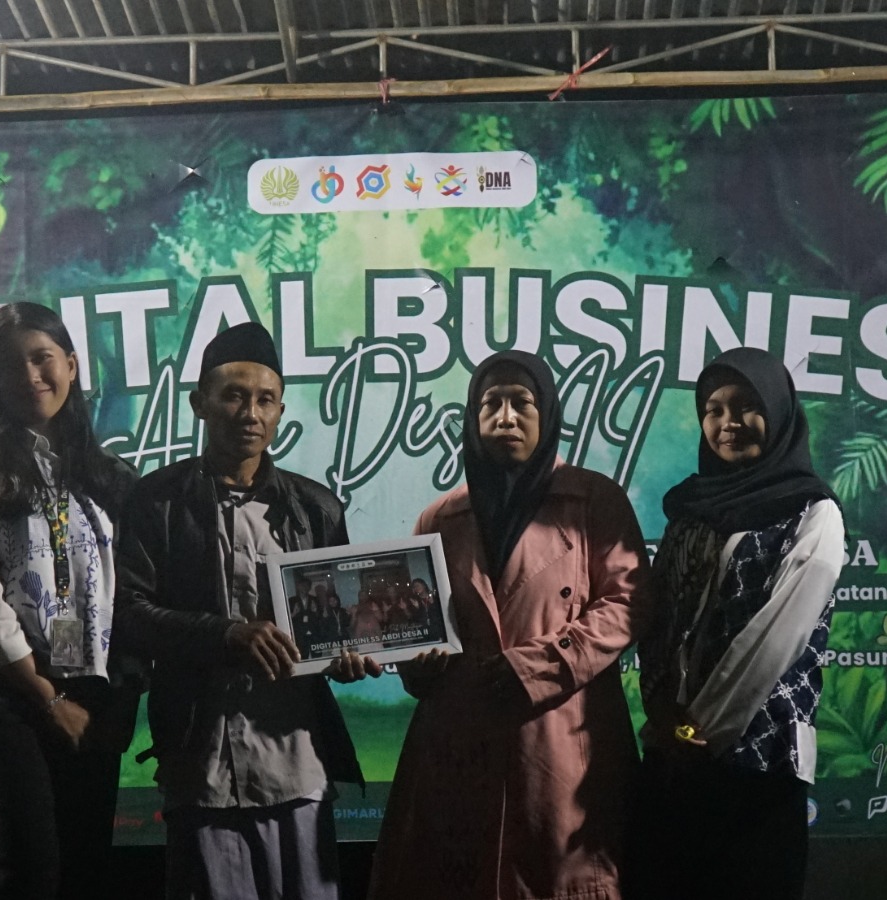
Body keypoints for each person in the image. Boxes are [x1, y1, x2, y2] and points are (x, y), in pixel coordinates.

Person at [369, 350, 652, 900]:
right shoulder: (438, 518)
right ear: (472, 418)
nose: (505, 417)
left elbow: (629, 601)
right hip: (457, 741)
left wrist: (540, 665)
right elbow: (417, 622)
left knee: (560, 877)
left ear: (547, 413)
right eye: (490, 404)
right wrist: (416, 663)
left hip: (560, 737)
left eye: (521, 403)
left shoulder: (594, 501)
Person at [114, 321, 379, 900]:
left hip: (297, 762)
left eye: (265, 399)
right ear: (200, 403)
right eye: (233, 396)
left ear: (281, 409)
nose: (249, 413)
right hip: (201, 762)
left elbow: (339, 626)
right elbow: (128, 613)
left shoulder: (317, 508)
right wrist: (226, 635)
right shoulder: (156, 501)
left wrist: (350, 657)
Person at [0, 303, 141, 898]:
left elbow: (133, 595)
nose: (31, 376)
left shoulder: (110, 477)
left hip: (92, 693)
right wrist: (47, 698)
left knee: (84, 869)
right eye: (10, 366)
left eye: (42, 358)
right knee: (24, 873)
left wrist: (120, 699)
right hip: (6, 696)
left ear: (71, 365)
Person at [628, 347, 844, 900]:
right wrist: (664, 716)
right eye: (714, 409)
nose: (728, 422)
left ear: (778, 410)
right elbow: (658, 623)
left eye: (747, 405)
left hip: (759, 766)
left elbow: (774, 641)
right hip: (672, 760)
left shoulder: (812, 512)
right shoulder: (690, 512)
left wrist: (698, 733)